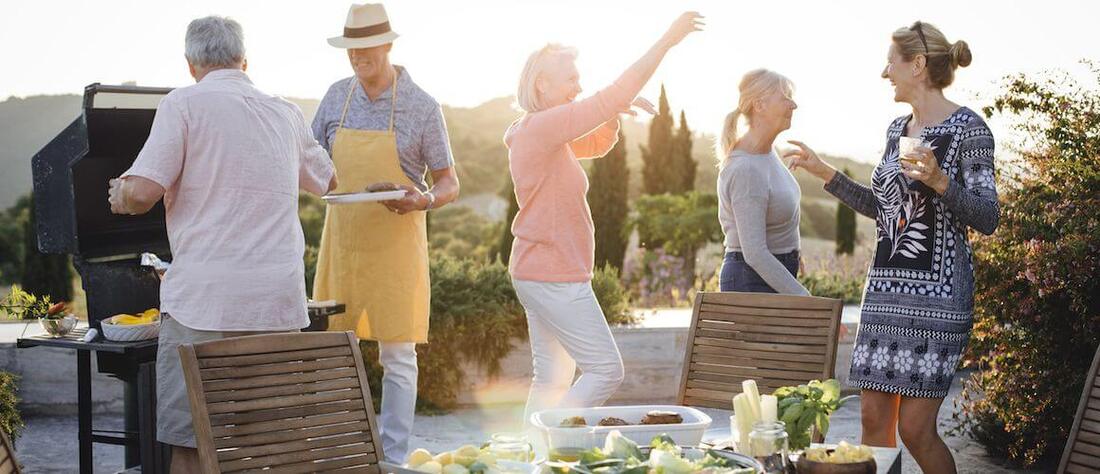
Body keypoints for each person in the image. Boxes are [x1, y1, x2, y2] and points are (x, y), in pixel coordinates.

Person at [107, 15, 337, 472]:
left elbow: (142, 192)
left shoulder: (184, 104)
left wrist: (120, 193)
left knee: (192, 443)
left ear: (191, 65)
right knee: (270, 444)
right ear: (244, 61)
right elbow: (328, 181)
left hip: (203, 306)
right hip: (276, 304)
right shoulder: (286, 112)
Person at [786, 21, 998, 474]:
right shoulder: (896, 130)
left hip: (937, 302)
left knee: (916, 432)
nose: (886, 73)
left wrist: (941, 181)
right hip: (884, 296)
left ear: (917, 65)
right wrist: (826, 173)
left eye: (892, 62)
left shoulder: (969, 130)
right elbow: (885, 209)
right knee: (871, 421)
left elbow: (988, 216)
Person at [505, 12, 703, 436]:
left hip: (540, 270)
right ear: (542, 83)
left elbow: (595, 140)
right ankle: (550, 439)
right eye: (570, 78)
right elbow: (609, 95)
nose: (578, 85)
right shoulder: (542, 126)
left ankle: (529, 457)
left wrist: (611, 113)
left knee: (551, 379)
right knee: (605, 371)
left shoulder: (542, 131)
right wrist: (667, 40)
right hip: (553, 274)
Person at [310, 3, 459, 463]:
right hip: (342, 244)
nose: (357, 57)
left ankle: (392, 459)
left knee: (398, 356)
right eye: (351, 49)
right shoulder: (336, 96)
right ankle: (342, 454)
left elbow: (449, 182)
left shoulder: (421, 105)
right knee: (333, 353)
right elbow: (310, 161)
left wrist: (423, 199)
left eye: (366, 47)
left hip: (397, 244)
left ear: (388, 45)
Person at [715, 69, 808, 295]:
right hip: (752, 281)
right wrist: (806, 301)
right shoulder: (746, 169)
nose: (793, 105)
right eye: (784, 97)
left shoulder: (766, 153)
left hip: (769, 275)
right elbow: (755, 253)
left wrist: (793, 253)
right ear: (759, 105)